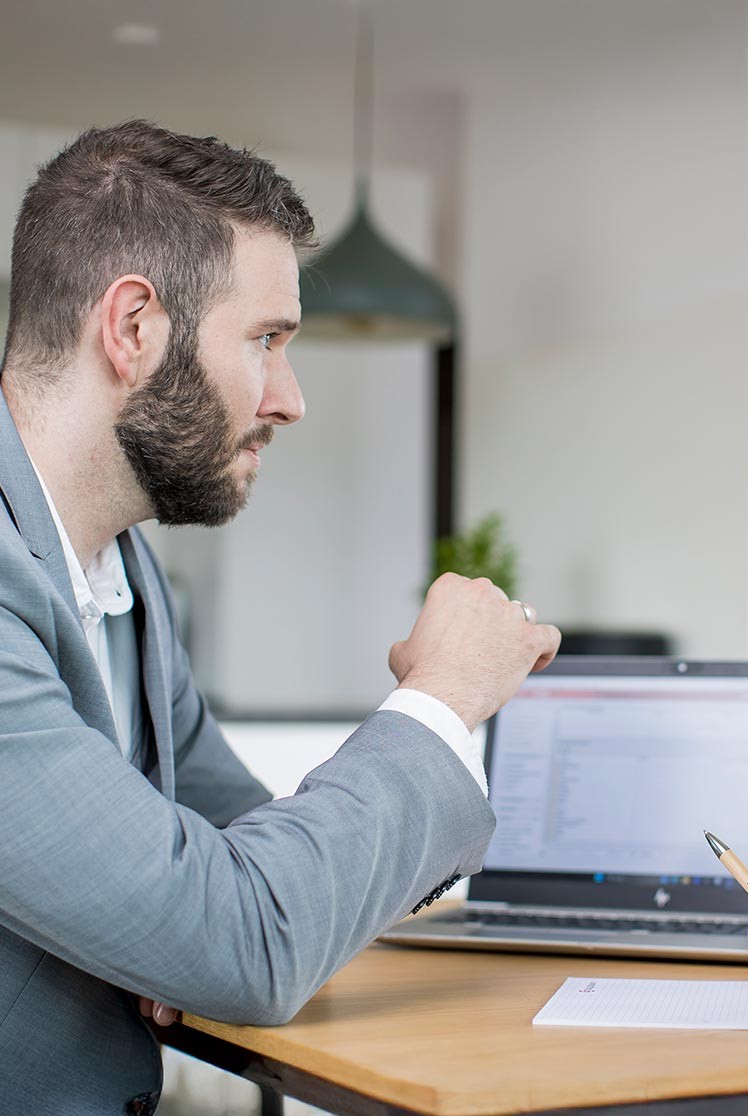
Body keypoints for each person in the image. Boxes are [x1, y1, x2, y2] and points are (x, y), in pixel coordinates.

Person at [0, 120, 560, 1114]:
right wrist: (440, 700)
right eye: (266, 340)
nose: (291, 399)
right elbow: (242, 937)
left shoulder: (123, 574)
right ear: (133, 329)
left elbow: (245, 860)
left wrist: (213, 918)